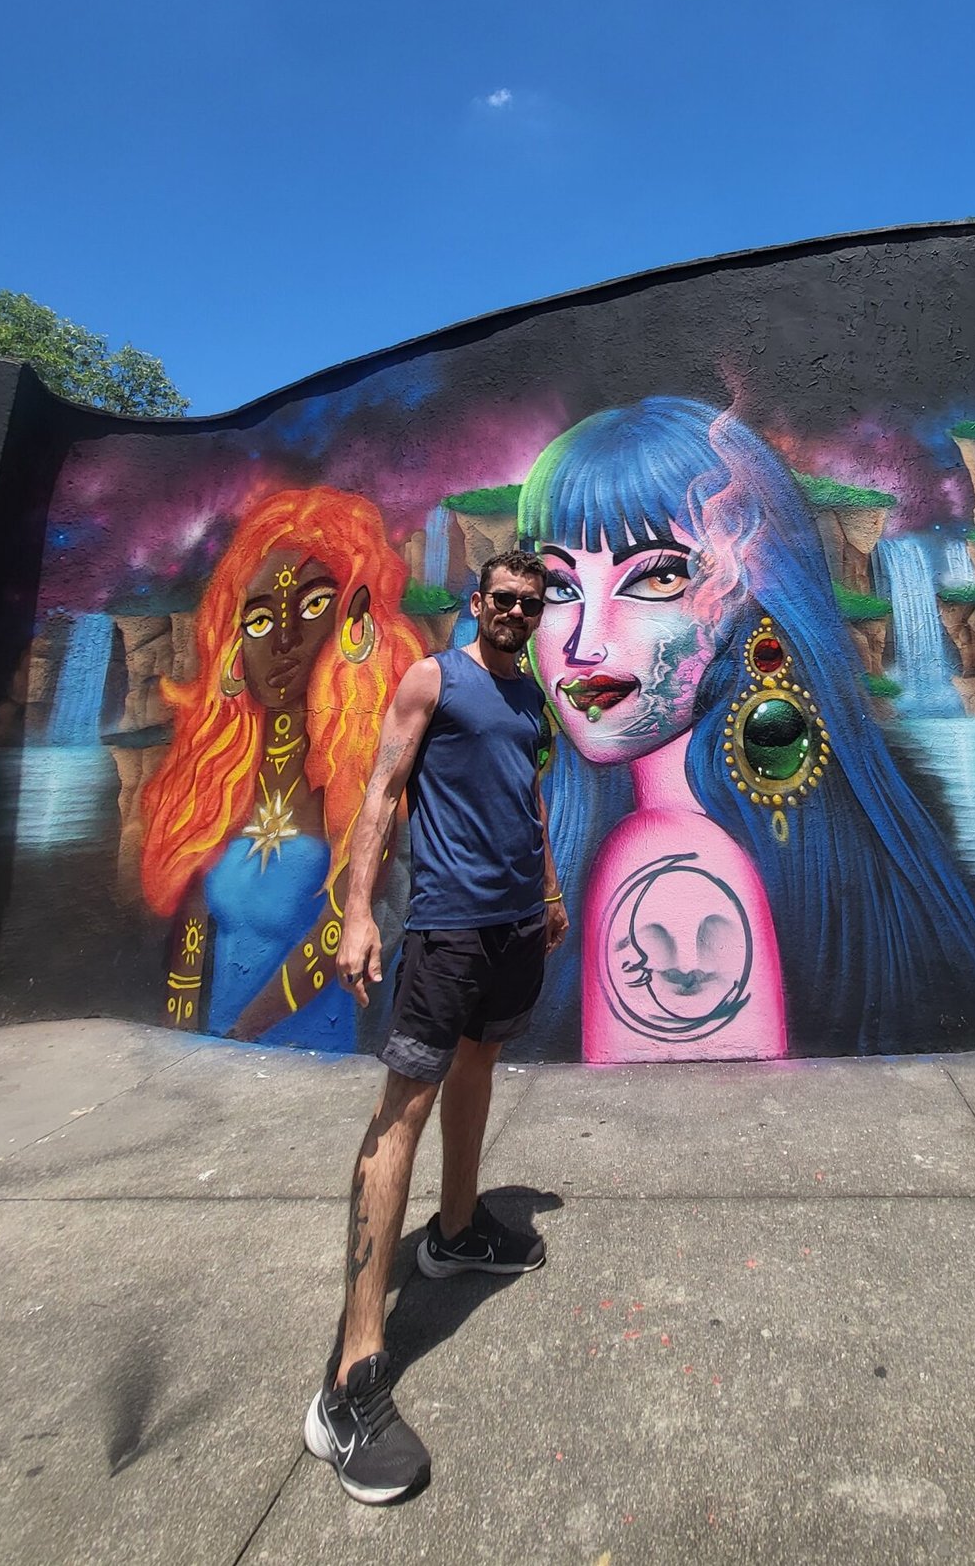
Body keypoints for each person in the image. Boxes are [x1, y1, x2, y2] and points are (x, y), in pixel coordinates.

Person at [518, 396, 975, 1061]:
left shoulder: (665, 864)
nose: (585, 642)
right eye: (558, 587)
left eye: (656, 578)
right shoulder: (779, 838)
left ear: (750, 596)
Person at [303, 547, 568, 1505]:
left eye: (530, 604)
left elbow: (526, 796)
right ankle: (350, 1377)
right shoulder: (434, 678)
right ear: (477, 600)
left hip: (514, 922)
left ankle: (456, 1230)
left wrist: (548, 888)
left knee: (480, 1065)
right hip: (448, 927)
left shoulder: (530, 698)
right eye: (504, 599)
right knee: (402, 1109)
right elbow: (382, 790)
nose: (516, 613)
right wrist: (360, 913)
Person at [139, 487, 424, 1050]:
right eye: (260, 619)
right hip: (211, 1057)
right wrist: (180, 1039)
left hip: (310, 1062)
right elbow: (193, 930)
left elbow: (337, 929)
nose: (285, 639)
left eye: (313, 607)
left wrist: (237, 1039)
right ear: (232, 642)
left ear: (353, 623)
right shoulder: (218, 778)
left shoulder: (365, 774)